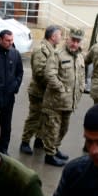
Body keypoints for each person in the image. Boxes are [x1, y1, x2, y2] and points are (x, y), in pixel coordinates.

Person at [41, 28, 86, 167]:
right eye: (73, 40)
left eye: (77, 41)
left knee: (63, 129)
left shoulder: (79, 56)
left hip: (69, 102)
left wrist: (81, 87)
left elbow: (82, 75)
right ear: (67, 38)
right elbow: (49, 75)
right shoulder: (57, 54)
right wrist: (62, 89)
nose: (74, 43)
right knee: (53, 129)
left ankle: (55, 148)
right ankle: (49, 155)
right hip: (55, 101)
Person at [21, 25, 62, 155]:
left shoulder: (53, 49)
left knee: (44, 118)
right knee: (34, 117)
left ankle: (39, 140)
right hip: (39, 91)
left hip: (46, 92)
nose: (61, 38)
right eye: (60, 35)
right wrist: (54, 83)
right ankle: (25, 142)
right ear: (53, 36)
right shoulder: (41, 49)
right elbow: (39, 72)